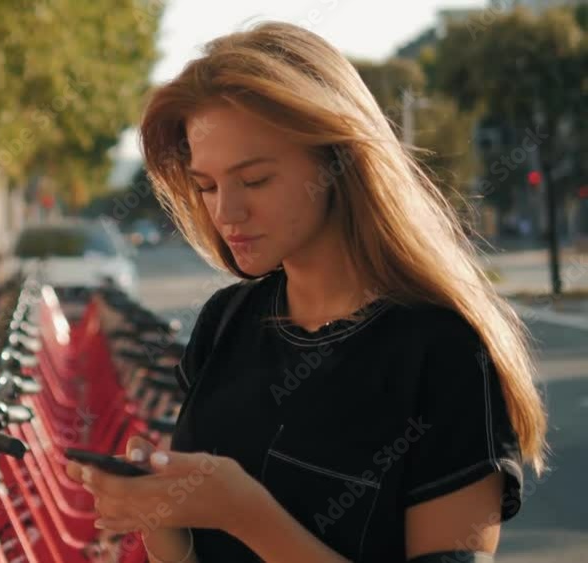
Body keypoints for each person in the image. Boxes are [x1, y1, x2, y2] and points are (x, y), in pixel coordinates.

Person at [64, 22, 548, 563]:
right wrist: (153, 511)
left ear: (337, 163)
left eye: (255, 180)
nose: (226, 212)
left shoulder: (442, 352)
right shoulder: (226, 321)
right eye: (206, 186)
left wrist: (244, 512)